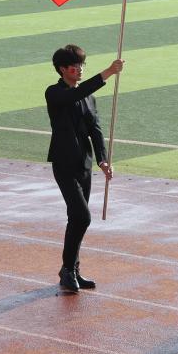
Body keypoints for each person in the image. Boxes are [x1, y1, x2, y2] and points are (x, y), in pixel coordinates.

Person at [45, 45, 122, 293]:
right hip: (64, 164)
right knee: (82, 216)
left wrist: (103, 160)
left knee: (75, 219)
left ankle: (72, 270)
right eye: (74, 67)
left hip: (84, 165)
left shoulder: (89, 97)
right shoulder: (54, 93)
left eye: (81, 66)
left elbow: (95, 130)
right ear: (62, 69)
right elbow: (73, 96)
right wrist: (107, 73)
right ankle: (68, 269)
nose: (79, 70)